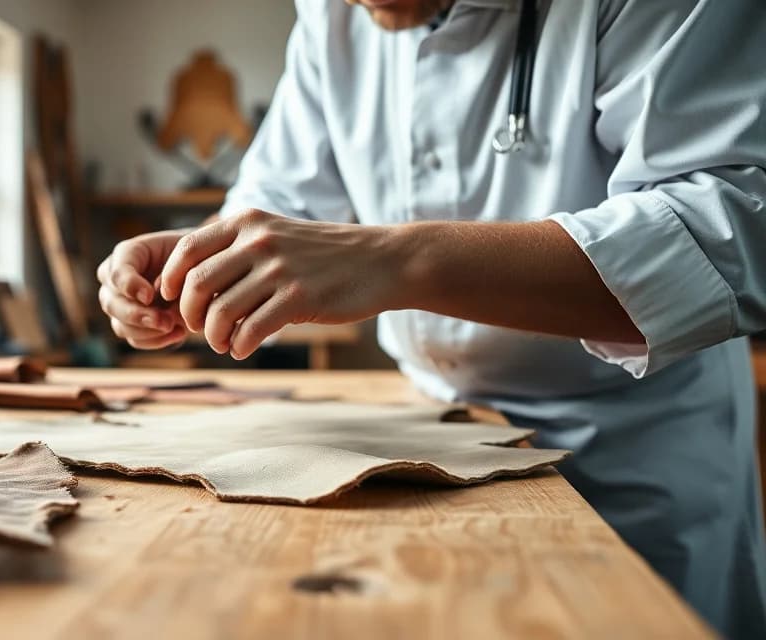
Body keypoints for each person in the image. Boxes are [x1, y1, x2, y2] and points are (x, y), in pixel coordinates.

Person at [94, 0, 766, 636]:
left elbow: (729, 231)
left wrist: (401, 261)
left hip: (639, 448)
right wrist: (199, 256)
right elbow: (277, 199)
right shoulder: (334, 13)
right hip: (437, 442)